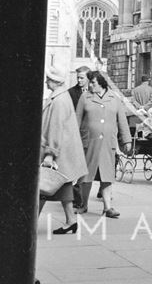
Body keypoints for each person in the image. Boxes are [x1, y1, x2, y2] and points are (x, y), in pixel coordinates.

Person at [39, 66, 88, 234]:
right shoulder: (62, 96)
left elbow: (55, 128)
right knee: (62, 186)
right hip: (65, 153)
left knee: (42, 187)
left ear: (54, 82)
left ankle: (27, 223)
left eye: (48, 79)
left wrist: (49, 154)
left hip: (59, 153)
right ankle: (71, 220)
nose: (46, 81)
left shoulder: (58, 100)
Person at [76, 70, 132, 217]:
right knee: (86, 176)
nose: (90, 85)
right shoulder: (85, 97)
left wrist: (126, 140)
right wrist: (73, 140)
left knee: (107, 175)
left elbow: (122, 121)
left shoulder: (114, 98)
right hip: (89, 142)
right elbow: (76, 120)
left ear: (101, 82)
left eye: (93, 82)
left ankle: (108, 208)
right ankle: (83, 204)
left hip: (108, 143)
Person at [67, 66, 90, 208]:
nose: (79, 80)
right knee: (76, 166)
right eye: (78, 77)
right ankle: (77, 198)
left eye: (82, 77)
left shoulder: (94, 92)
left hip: (89, 134)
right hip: (76, 133)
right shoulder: (71, 93)